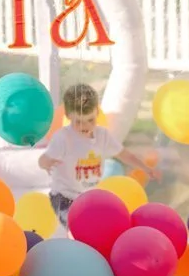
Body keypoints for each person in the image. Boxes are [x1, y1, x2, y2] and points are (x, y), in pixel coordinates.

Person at [38, 82, 161, 227]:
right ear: (68, 116)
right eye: (79, 122)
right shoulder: (63, 138)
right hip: (65, 197)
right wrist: (47, 163)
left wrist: (146, 168)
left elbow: (124, 154)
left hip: (90, 196)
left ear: (97, 112)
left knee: (102, 227)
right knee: (77, 228)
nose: (85, 126)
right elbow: (43, 160)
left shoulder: (102, 135)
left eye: (90, 120)